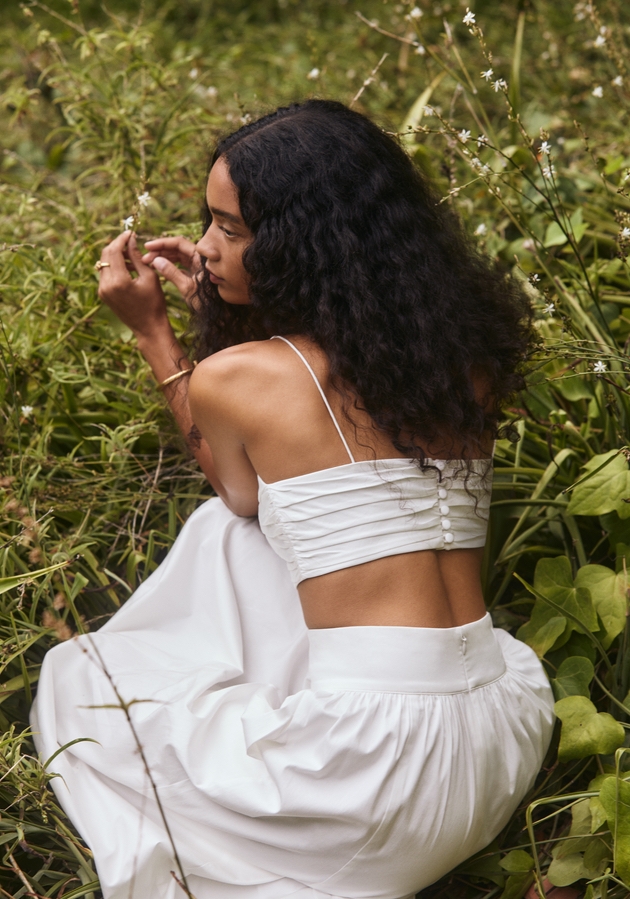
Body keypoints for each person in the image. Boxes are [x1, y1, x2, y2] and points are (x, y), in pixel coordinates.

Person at [32, 100, 554, 899]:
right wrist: (224, 299)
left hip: (373, 780)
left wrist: (156, 333)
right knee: (264, 533)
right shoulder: (460, 353)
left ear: (303, 245)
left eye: (230, 230)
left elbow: (237, 485)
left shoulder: (242, 379)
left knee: (81, 680)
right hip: (499, 735)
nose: (206, 247)